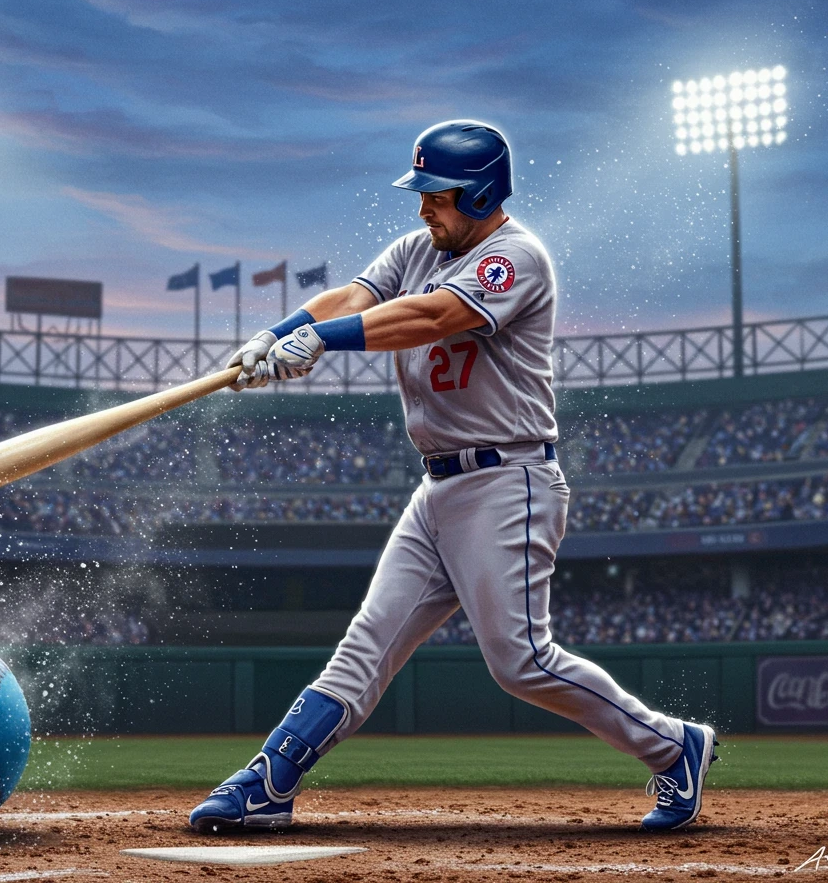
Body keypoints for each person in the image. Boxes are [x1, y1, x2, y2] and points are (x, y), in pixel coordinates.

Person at [190, 120, 718, 834]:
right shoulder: (418, 249)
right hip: (437, 488)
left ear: (479, 193)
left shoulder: (516, 258)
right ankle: (270, 779)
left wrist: (324, 343)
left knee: (520, 662)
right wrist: (280, 332)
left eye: (436, 195)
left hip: (509, 481)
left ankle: (674, 746)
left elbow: (434, 314)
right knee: (367, 642)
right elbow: (355, 298)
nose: (421, 208)